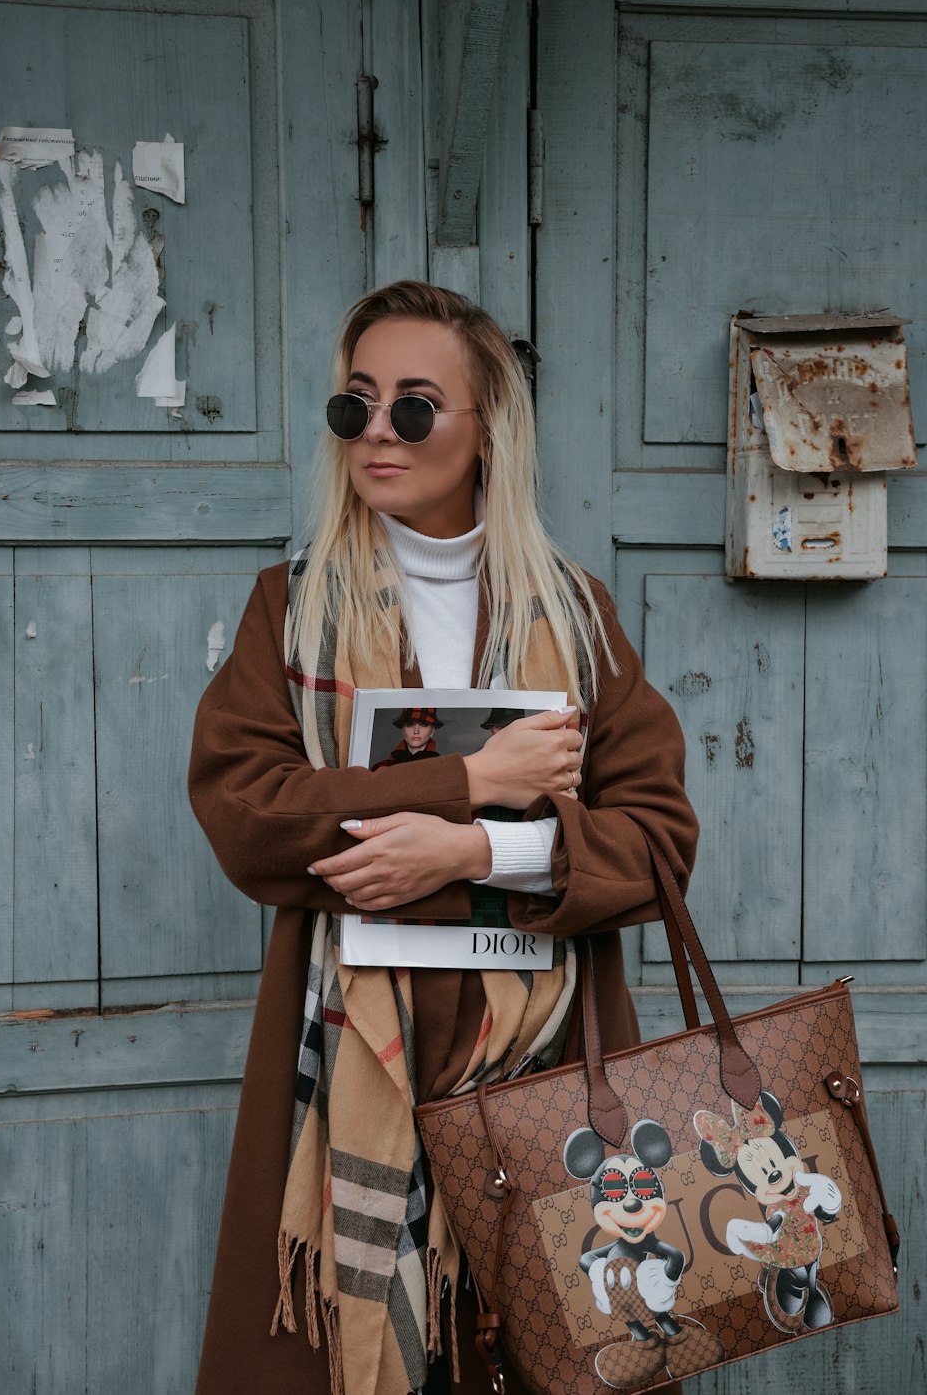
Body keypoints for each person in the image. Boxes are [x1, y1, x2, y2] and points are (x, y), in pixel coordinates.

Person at [188, 280, 697, 1395]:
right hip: (351, 1061)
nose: (377, 430)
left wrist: (471, 852)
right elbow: (246, 815)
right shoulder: (293, 604)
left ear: (487, 429)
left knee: (532, 1354)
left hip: (548, 1066)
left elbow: (657, 842)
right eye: (354, 404)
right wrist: (470, 779)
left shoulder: (571, 613)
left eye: (414, 407)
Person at [373, 707, 445, 769]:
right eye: (410, 724)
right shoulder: (381, 768)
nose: (416, 731)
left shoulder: (444, 770)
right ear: (402, 729)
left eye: (424, 724)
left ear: (432, 730)